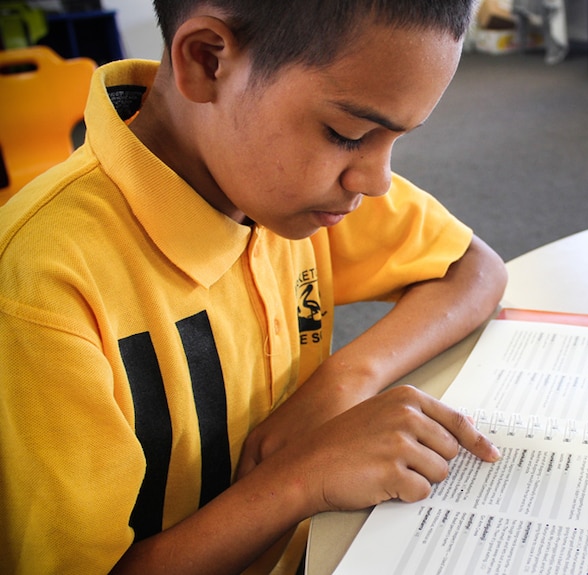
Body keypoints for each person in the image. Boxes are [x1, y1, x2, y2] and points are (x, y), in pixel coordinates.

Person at [0, 1, 508, 573]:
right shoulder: (39, 290)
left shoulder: (276, 184)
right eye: (348, 134)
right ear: (208, 61)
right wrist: (299, 480)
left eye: (397, 138)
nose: (376, 181)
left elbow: (476, 268)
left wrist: (342, 382)